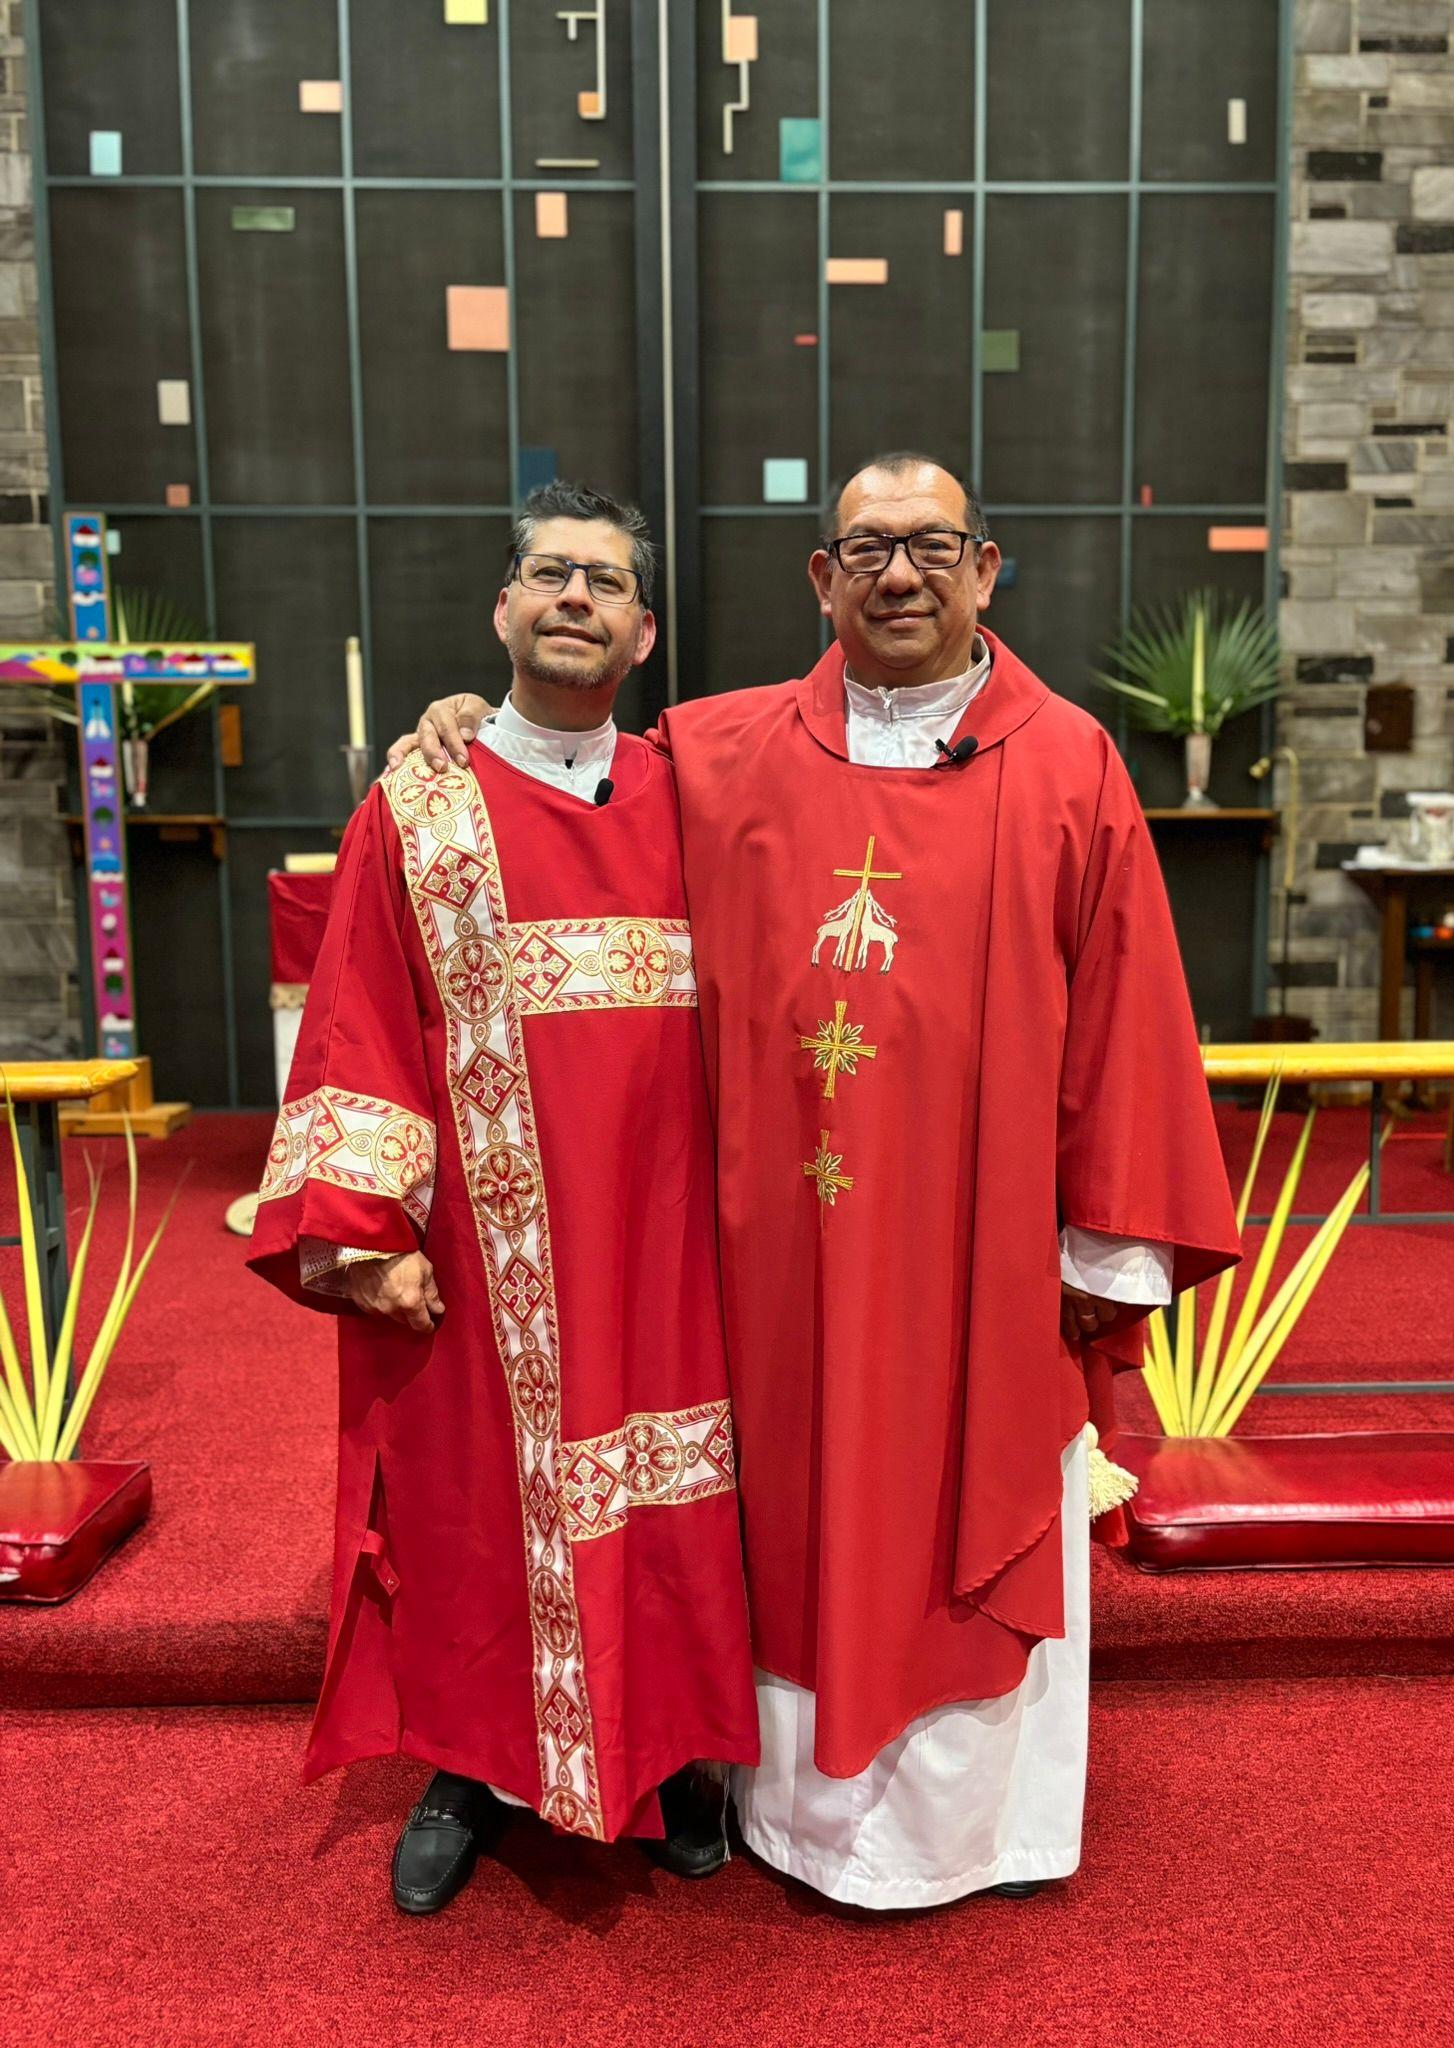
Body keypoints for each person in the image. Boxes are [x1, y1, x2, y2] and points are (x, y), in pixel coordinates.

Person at [391, 452, 1241, 1910]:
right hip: (769, 1252)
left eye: (931, 546)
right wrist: (478, 729)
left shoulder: (1070, 762)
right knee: (776, 1500)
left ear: (986, 569)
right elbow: (563, 794)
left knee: (958, 1484)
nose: (898, 574)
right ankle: (741, 1792)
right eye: (866, 549)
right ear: (821, 580)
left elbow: (1127, 1013)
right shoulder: (719, 751)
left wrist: (1102, 1253)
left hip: (975, 1244)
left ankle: (972, 1833)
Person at [249, 481, 758, 1917]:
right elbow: (358, 1011)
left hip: (671, 1239)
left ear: (644, 633)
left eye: (606, 580)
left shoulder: (703, 798)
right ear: (502, 610)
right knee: (479, 1502)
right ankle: (469, 1765)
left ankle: (671, 1750)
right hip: (489, 1247)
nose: (575, 596)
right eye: (549, 574)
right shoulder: (421, 807)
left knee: (668, 1492)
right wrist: (370, 1234)